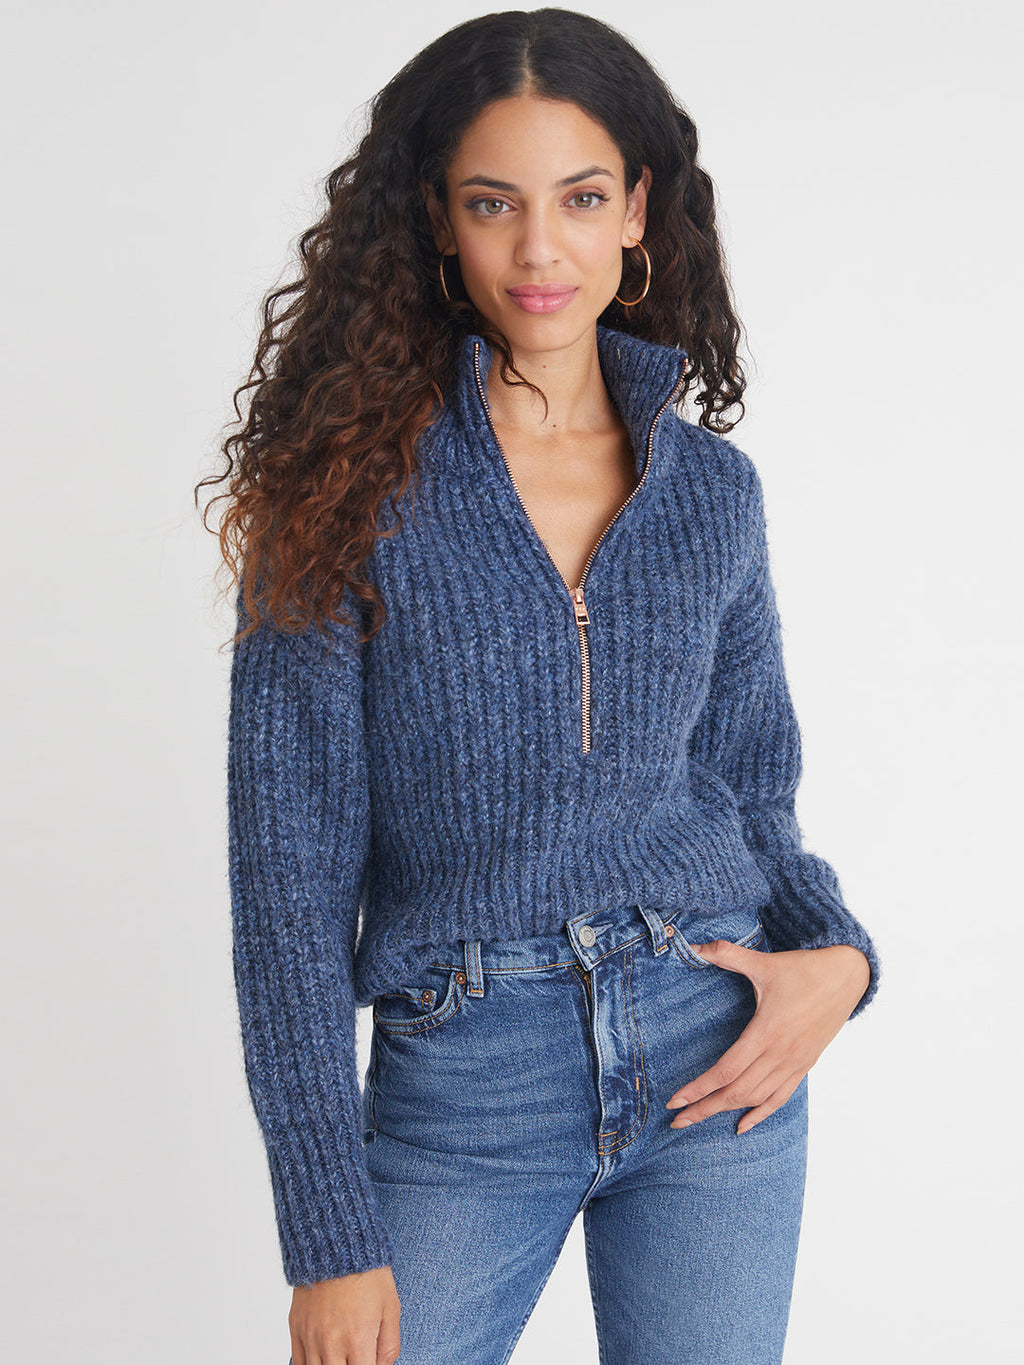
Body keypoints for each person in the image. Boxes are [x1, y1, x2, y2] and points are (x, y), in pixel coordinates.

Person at [201, 9, 882, 1364]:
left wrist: (842, 962)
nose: (538, 250)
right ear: (437, 222)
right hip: (467, 1075)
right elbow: (287, 886)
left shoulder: (710, 491)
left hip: (714, 1051)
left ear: (636, 209)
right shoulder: (341, 493)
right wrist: (327, 1235)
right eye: (492, 202)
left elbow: (753, 794)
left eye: (578, 198)